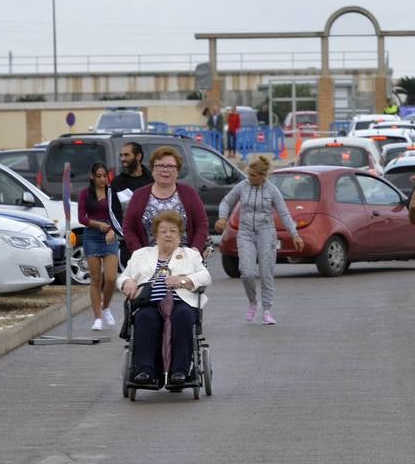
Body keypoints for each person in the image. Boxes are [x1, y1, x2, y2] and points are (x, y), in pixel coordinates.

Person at [118, 210, 211, 387]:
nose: (168, 235)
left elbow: (205, 276)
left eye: (173, 231)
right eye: (163, 231)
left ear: (180, 234)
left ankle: (180, 371)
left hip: (181, 302)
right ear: (155, 234)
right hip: (150, 303)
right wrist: (128, 282)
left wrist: (183, 280)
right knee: (144, 317)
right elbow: (122, 278)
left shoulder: (190, 255)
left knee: (182, 316)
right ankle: (145, 371)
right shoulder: (141, 254)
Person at [216, 156, 303, 325]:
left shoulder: (272, 190)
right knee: (247, 272)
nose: (250, 178)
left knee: (266, 272)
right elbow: (226, 202)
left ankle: (267, 310)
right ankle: (253, 303)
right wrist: (222, 218)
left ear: (263, 176)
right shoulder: (242, 186)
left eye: (254, 176)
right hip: (246, 232)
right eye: (249, 175)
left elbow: (284, 213)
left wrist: (295, 235)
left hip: (266, 232)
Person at [122, 146, 210, 253]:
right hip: (149, 261)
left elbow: (202, 224)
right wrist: (139, 252)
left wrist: (195, 250)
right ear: (152, 170)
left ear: (177, 171)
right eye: (159, 166)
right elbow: (128, 227)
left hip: (185, 260)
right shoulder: (139, 195)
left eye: (170, 166)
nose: (165, 170)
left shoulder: (189, 193)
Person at [77, 162, 122, 330]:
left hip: (110, 236)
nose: (102, 179)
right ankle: (97, 317)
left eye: (105, 176)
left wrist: (111, 229)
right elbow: (82, 218)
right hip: (91, 236)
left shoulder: (112, 193)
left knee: (111, 278)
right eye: (99, 176)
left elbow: (118, 214)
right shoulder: (85, 194)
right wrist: (98, 225)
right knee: (96, 279)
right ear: (92, 177)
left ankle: (106, 307)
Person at [111, 141, 154, 266]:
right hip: (129, 248)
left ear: (138, 156)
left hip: (155, 246)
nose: (123, 159)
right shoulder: (117, 183)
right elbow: (113, 214)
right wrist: (128, 237)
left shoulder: (152, 179)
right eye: (121, 155)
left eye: (126, 155)